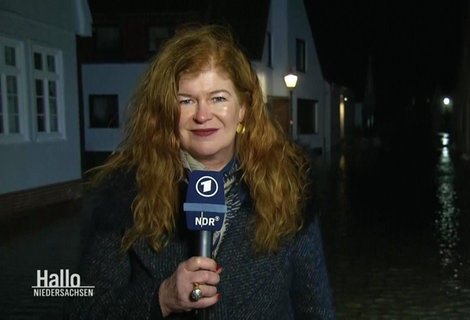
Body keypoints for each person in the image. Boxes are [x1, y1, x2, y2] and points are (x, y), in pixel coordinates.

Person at [68, 24, 336, 319]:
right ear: (166, 111)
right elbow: (84, 309)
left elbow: (315, 307)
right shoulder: (123, 196)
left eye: (218, 98)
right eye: (186, 100)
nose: (202, 115)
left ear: (243, 108)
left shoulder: (288, 186)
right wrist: (162, 298)